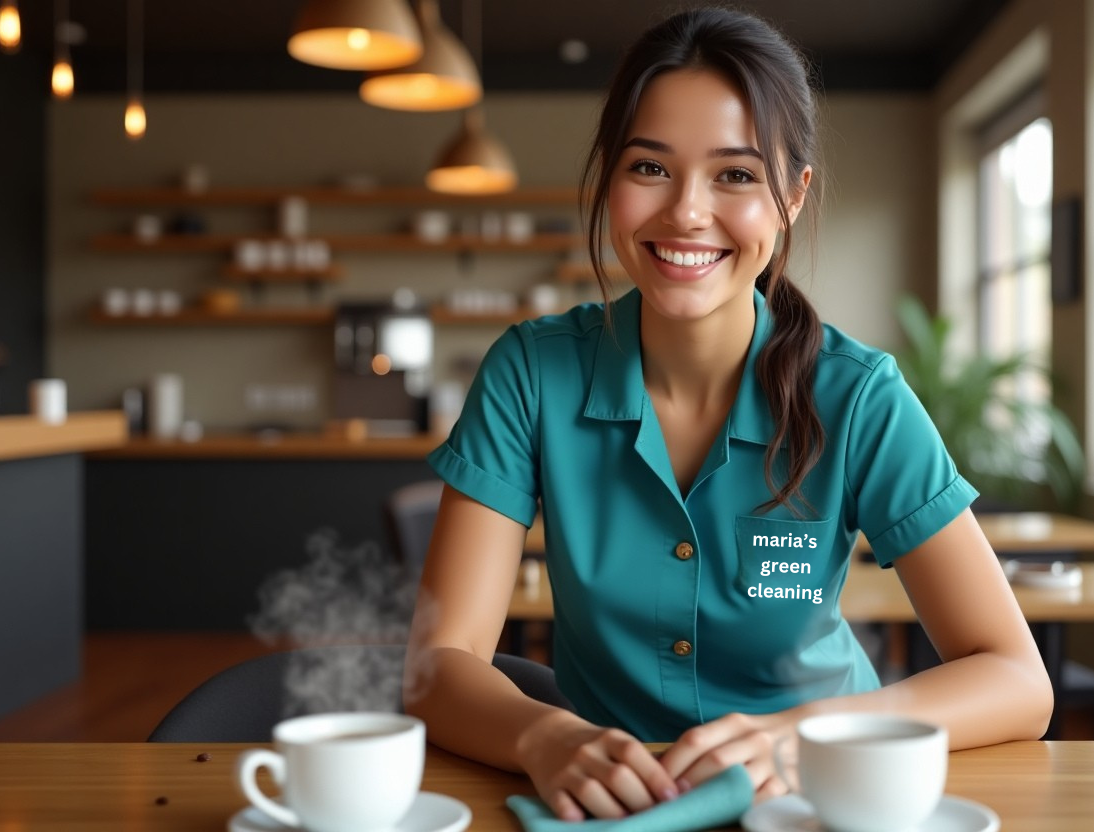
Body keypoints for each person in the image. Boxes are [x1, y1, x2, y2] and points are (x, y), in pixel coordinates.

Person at [405, 6, 1053, 822]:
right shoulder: (531, 373)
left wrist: (808, 735)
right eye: (649, 168)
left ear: (791, 195)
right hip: (614, 805)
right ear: (609, 177)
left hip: (822, 802)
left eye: (736, 175)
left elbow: (1017, 678)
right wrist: (543, 737)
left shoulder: (860, 397)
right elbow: (441, 660)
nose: (685, 212)